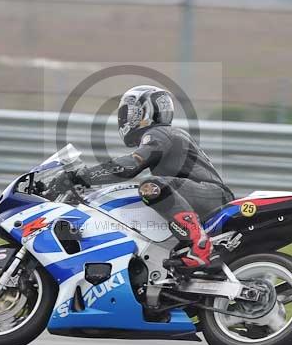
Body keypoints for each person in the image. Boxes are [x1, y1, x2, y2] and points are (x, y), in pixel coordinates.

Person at [62, 85, 234, 273]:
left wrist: (82, 176)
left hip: (211, 194)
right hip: (200, 194)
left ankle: (200, 248)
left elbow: (131, 164)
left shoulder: (160, 133)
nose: (126, 119)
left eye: (131, 113)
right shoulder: (166, 134)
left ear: (147, 112)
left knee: (151, 187)